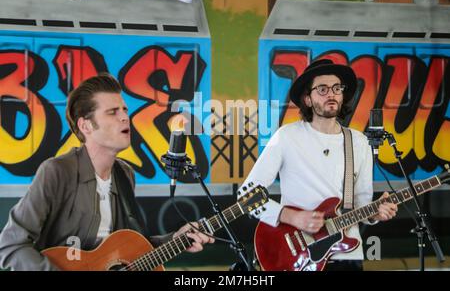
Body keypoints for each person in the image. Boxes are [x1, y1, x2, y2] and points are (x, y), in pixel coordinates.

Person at [0, 74, 214, 271]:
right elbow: (11, 245)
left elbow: (126, 247)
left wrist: (176, 239)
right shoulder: (56, 172)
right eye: (113, 112)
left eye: (125, 110)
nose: (124, 118)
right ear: (86, 126)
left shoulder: (124, 175)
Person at [241, 59, 398, 271]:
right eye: (322, 89)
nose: (331, 94)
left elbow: (362, 201)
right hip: (298, 257)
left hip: (347, 256)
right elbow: (246, 195)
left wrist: (375, 214)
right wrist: (292, 217)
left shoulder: (358, 141)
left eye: (336, 88)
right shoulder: (287, 136)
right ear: (307, 99)